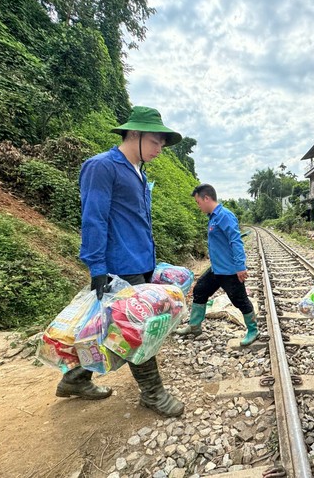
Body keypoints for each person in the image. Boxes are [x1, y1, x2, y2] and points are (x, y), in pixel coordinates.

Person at [56, 106, 185, 418]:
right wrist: (97, 267)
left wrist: (152, 263)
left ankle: (75, 378)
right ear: (136, 134)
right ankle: (153, 394)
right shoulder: (102, 167)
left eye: (162, 145)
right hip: (118, 265)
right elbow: (94, 219)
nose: (159, 149)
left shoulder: (138, 172)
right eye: (156, 142)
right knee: (138, 330)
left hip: (139, 262)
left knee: (108, 328)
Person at [175, 184, 258, 346]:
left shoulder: (225, 216)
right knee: (200, 290)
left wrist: (240, 266)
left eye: (198, 202)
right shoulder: (213, 217)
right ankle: (194, 327)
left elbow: (236, 241)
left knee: (240, 300)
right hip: (216, 270)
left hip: (230, 271)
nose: (198, 206)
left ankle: (253, 330)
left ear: (207, 198)